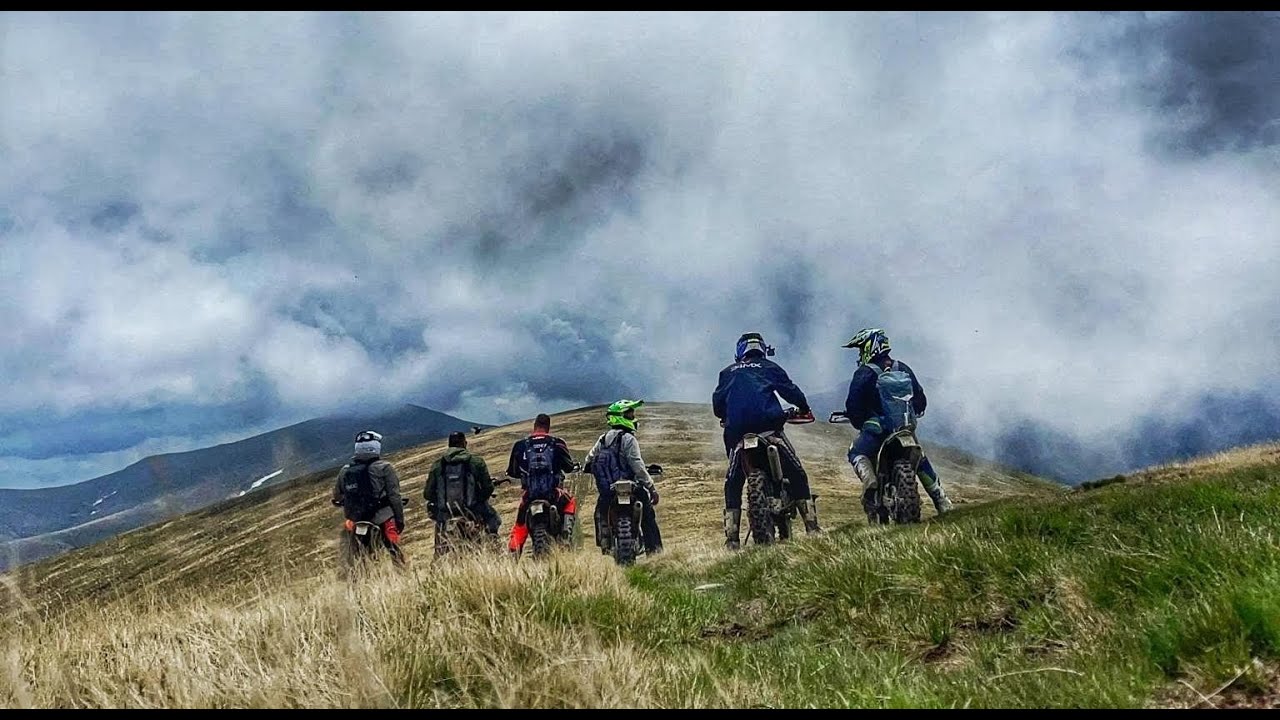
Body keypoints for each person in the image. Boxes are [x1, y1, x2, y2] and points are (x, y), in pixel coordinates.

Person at [711, 332, 821, 549]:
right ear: (762, 349)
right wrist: (804, 407)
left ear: (739, 352)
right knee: (797, 472)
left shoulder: (727, 372)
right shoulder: (769, 367)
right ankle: (812, 526)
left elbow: (717, 406)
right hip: (769, 428)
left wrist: (728, 416)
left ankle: (732, 538)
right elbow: (791, 391)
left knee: (732, 482)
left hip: (738, 434)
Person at [842, 327, 953, 515]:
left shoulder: (864, 372)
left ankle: (870, 480)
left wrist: (861, 422)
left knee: (855, 452)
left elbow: (853, 405)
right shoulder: (902, 368)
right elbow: (920, 399)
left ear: (870, 346)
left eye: (862, 349)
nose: (861, 354)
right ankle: (941, 499)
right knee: (920, 458)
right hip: (904, 426)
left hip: (877, 428)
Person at [583, 399, 663, 555]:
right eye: (629, 414)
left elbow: (589, 459)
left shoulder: (603, 439)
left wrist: (590, 468)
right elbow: (637, 465)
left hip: (609, 490)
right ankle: (655, 551)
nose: (633, 417)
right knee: (648, 515)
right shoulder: (629, 439)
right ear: (620, 416)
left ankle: (604, 543)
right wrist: (651, 488)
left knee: (600, 511)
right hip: (631, 487)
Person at [505, 413, 579, 555]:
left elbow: (513, 471)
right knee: (571, 502)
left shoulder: (520, 446)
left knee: (520, 523)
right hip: (553, 493)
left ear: (535, 426)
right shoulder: (557, 443)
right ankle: (565, 536)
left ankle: (513, 553)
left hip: (530, 495)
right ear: (548, 427)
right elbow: (569, 467)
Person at [331, 429, 407, 565]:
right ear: (376, 447)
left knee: (350, 548)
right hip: (382, 518)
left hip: (356, 519)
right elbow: (394, 496)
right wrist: (399, 520)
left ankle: (351, 576)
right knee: (393, 548)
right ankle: (402, 573)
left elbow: (337, 494)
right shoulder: (385, 468)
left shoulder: (345, 470)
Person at [424, 431, 501, 535]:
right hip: (473, 509)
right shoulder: (476, 461)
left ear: (449, 445)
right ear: (464, 443)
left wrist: (442, 500)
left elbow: (428, 494)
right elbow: (487, 488)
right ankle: (493, 544)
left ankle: (440, 549)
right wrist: (480, 499)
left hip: (446, 512)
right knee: (493, 520)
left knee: (440, 526)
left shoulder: (438, 465)